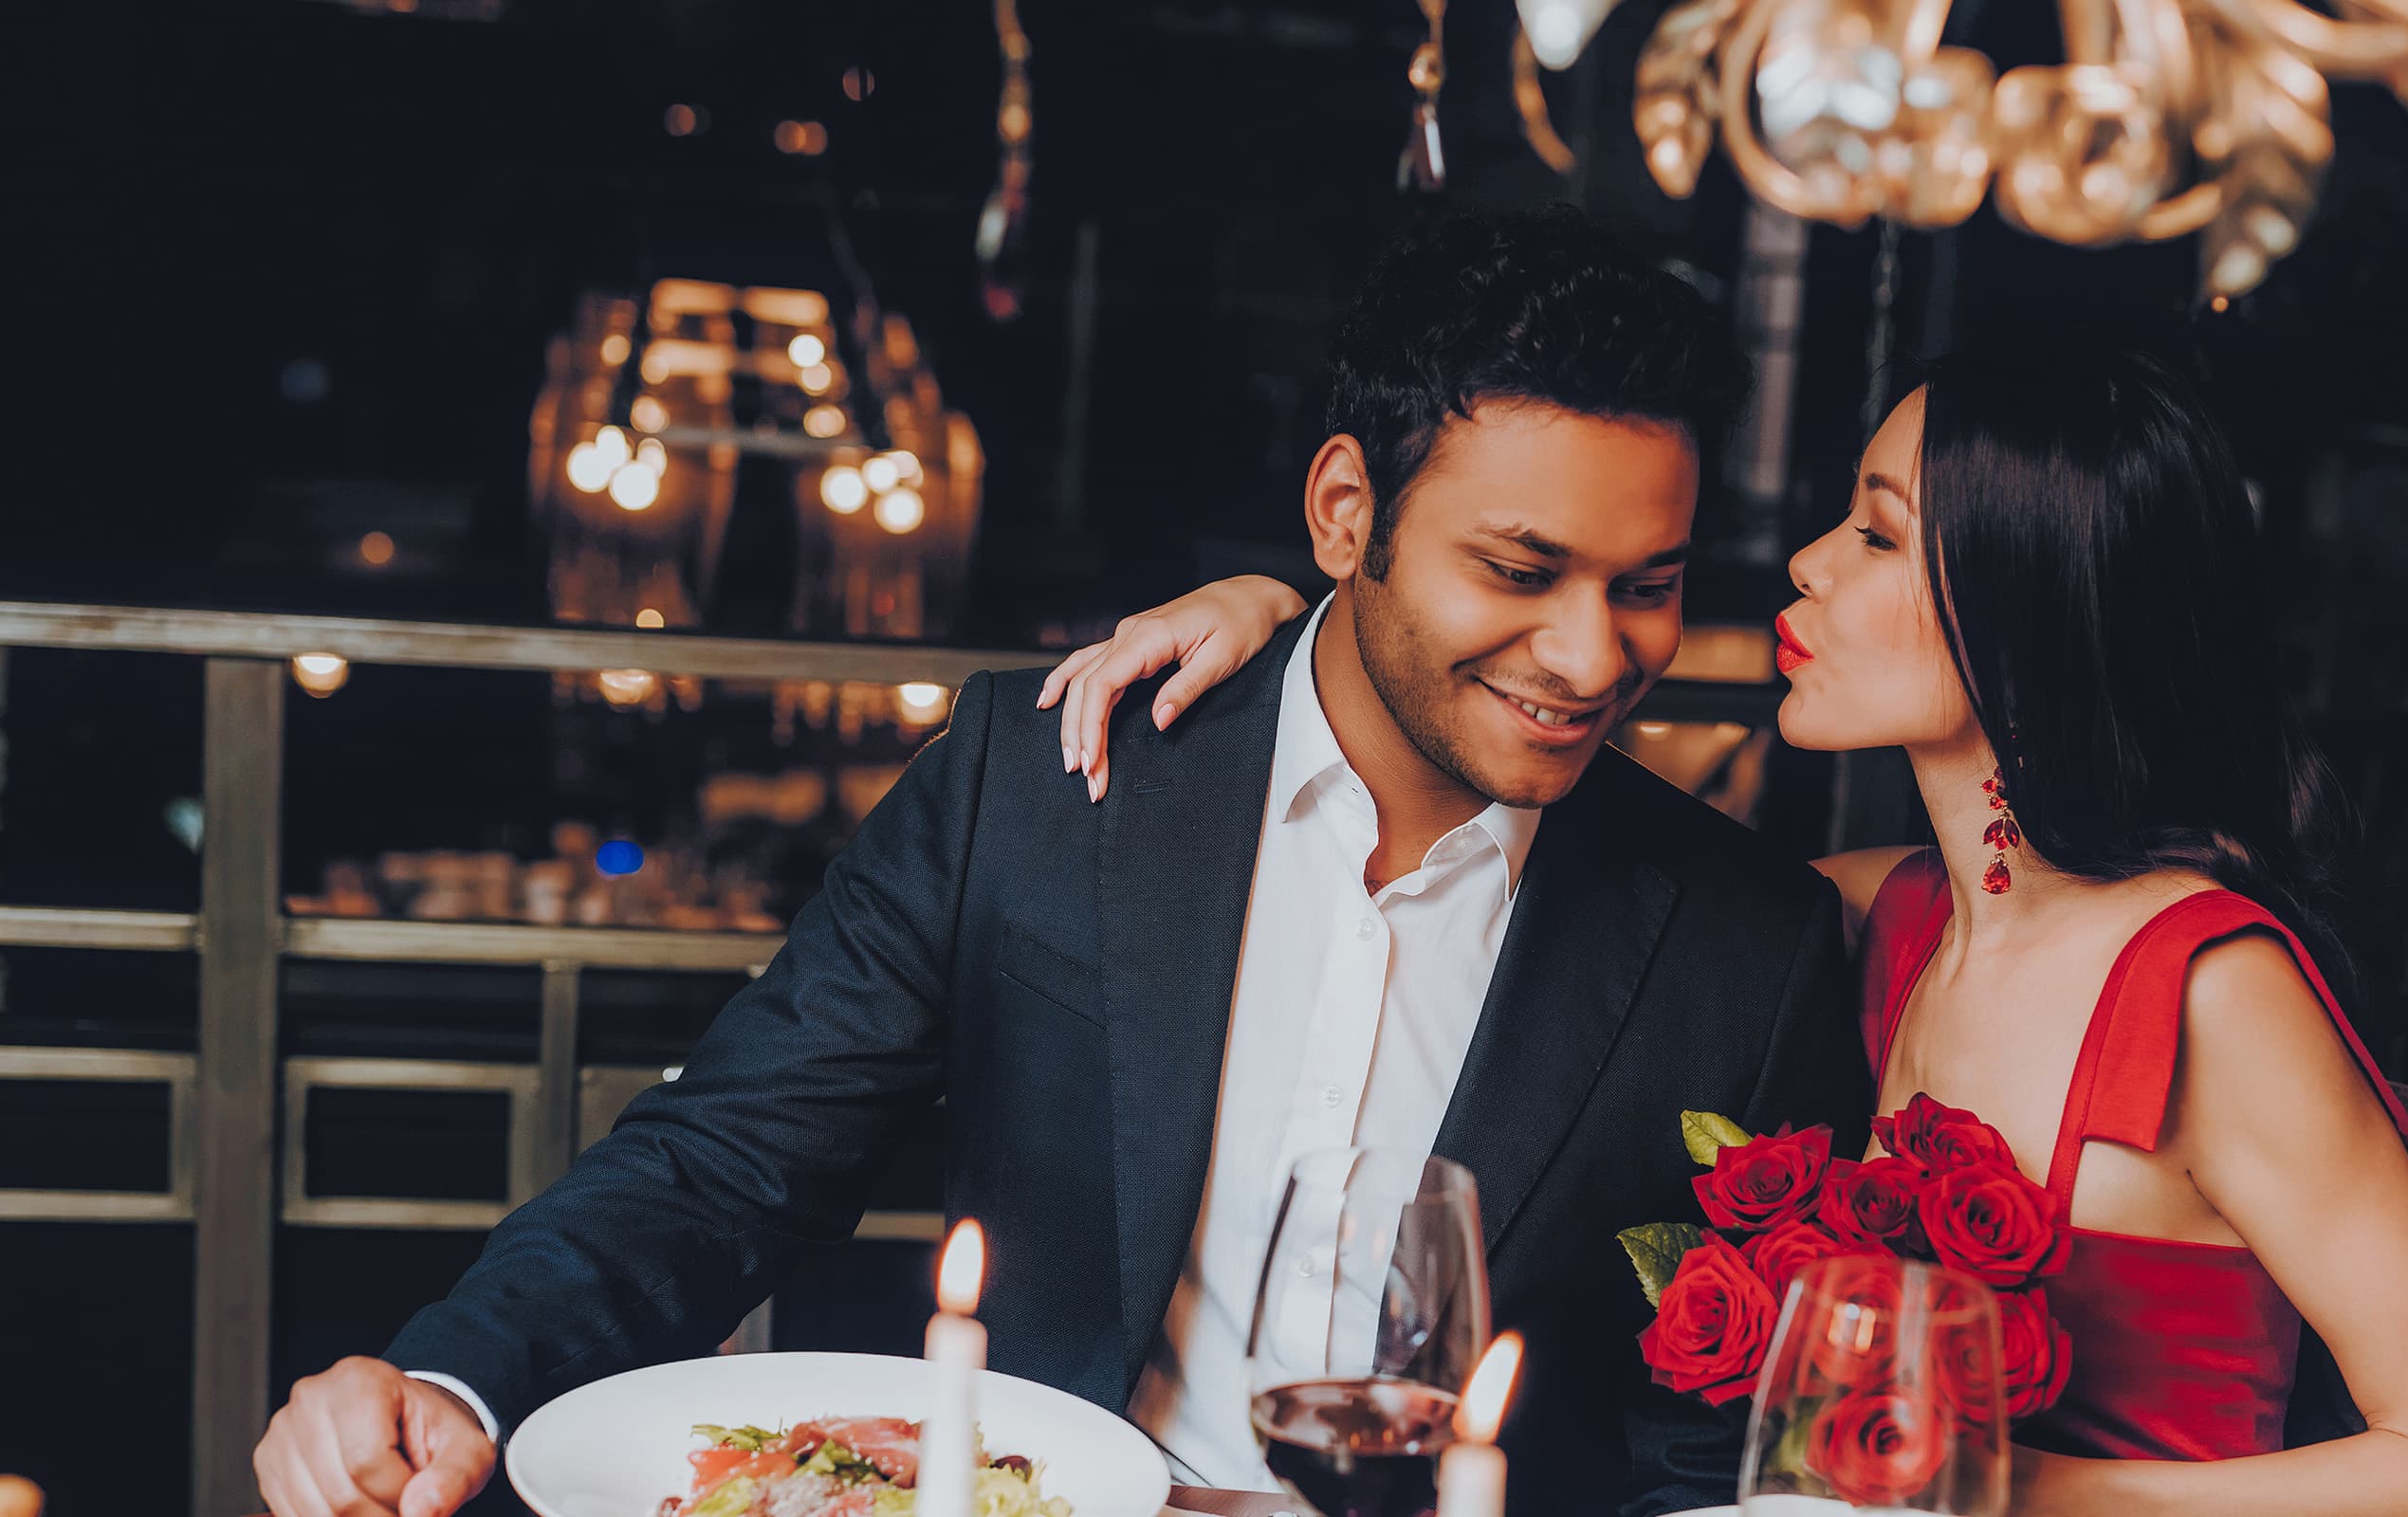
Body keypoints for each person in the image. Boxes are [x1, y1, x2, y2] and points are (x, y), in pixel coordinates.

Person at [251, 207, 1867, 1517]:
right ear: (1343, 510)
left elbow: (1704, 1454)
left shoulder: (1748, 947)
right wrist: (451, 1378)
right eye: (1521, 569)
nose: (1591, 656)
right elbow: (731, 1158)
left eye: (1646, 584)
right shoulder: (1046, 787)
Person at [1043, 352, 2408, 1513]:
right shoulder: (1882, 919)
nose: (1810, 565)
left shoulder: (2211, 991)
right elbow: (1597, 866)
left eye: (1879, 535)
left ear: (2020, 605)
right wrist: (1293, 626)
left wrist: (1994, 1494)